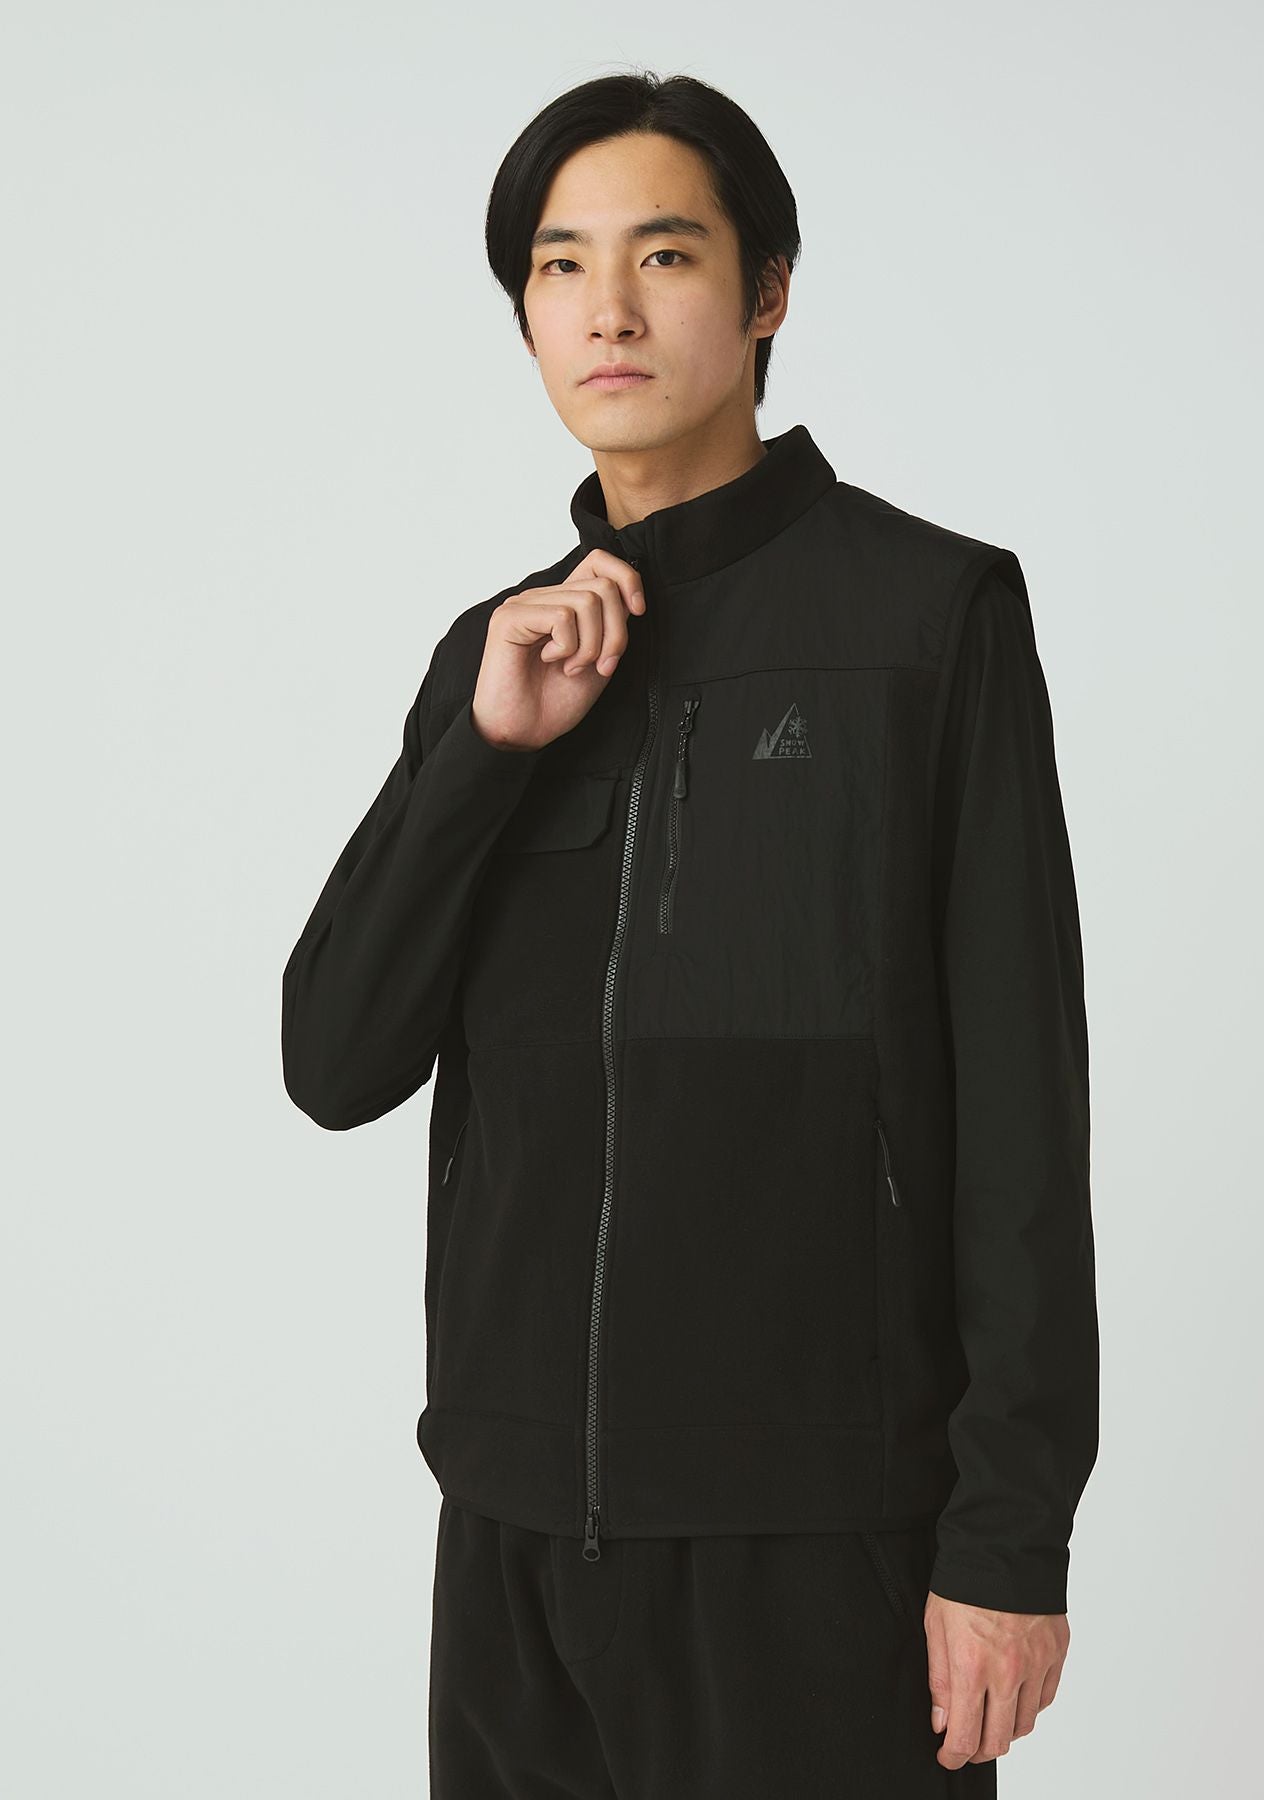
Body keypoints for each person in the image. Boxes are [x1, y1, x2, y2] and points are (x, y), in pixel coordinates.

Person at [281, 68, 1099, 1799]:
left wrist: (1008, 1542)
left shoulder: (927, 622)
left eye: (663, 255)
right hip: (512, 1539)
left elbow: (1024, 1114)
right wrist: (484, 754)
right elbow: (335, 1056)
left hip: (817, 1548)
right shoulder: (497, 659)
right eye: (561, 267)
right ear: (524, 314)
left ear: (768, 289)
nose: (610, 311)